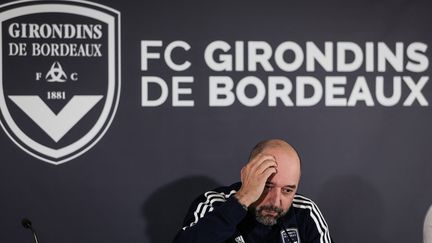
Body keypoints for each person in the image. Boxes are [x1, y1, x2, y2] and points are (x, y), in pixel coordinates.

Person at [173, 139, 333, 243]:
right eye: (267, 186)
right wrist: (242, 199)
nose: (276, 202)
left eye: (287, 190)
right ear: (246, 176)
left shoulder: (305, 211)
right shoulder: (214, 204)